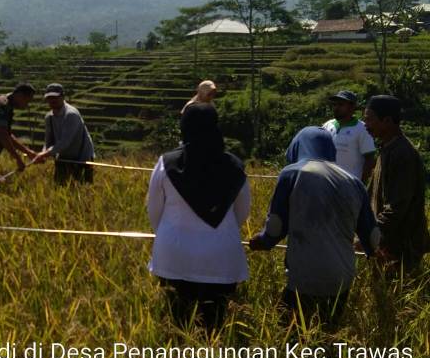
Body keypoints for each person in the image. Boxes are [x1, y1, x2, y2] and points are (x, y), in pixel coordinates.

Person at [249, 127, 380, 327]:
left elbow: (275, 228)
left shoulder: (292, 173)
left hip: (304, 275)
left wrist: (263, 241)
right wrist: (372, 252)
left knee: (292, 336)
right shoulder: (354, 182)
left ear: (298, 146)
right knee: (329, 332)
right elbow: (372, 237)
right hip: (341, 278)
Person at [147, 103, 250, 331]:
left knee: (176, 325)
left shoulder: (167, 163)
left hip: (174, 256)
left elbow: (154, 209)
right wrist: (221, 231)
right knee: (215, 328)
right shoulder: (235, 166)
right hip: (221, 259)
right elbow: (242, 212)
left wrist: (167, 232)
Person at [363, 95, 429, 273]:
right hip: (386, 242)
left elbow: (397, 206)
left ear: (387, 121)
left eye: (369, 119)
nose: (365, 124)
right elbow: (370, 193)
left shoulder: (402, 154)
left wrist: (372, 233)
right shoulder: (387, 148)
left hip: (401, 246)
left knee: (397, 295)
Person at [34, 83, 95, 184]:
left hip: (81, 158)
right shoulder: (49, 117)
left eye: (55, 97)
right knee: (59, 187)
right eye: (50, 98)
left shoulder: (71, 114)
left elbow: (65, 142)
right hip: (64, 157)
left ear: (62, 97)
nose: (52, 100)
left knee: (83, 189)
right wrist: (43, 153)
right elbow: (48, 141)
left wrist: (44, 154)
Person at [0, 83, 39, 172]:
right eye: (26, 101)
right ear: (20, 95)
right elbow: (2, 134)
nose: (26, 105)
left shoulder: (6, 105)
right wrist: (18, 159)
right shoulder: (2, 105)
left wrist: (28, 152)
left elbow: (7, 135)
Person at [321, 90, 376, 182]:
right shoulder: (327, 125)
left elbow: (369, 160)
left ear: (352, 107)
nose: (336, 108)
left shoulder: (362, 129)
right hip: (328, 184)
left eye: (341, 105)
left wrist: (360, 185)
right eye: (335, 104)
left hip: (350, 185)